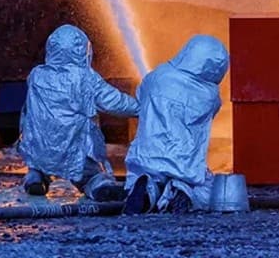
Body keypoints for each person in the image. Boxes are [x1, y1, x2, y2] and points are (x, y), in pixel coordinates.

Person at [16, 24, 139, 200]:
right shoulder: (85, 78)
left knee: (38, 163)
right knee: (91, 175)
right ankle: (99, 188)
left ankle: (35, 179)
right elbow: (114, 102)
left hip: (40, 145)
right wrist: (141, 108)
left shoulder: (37, 75)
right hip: (73, 144)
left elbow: (27, 111)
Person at [124, 34, 229, 213]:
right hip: (184, 165)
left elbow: (140, 97)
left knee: (141, 176)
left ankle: (149, 187)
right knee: (211, 191)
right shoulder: (210, 96)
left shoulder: (155, 76)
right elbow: (214, 111)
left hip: (146, 160)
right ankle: (179, 190)